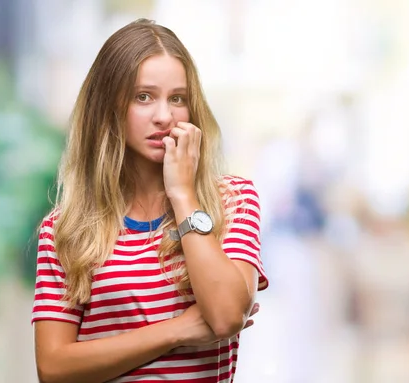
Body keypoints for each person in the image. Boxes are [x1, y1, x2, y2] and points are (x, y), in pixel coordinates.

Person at [31, 18, 268, 383]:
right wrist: (177, 330)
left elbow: (224, 317)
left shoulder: (233, 201)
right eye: (144, 97)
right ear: (109, 107)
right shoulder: (66, 229)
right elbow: (53, 368)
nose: (164, 117)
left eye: (178, 98)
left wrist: (184, 195)